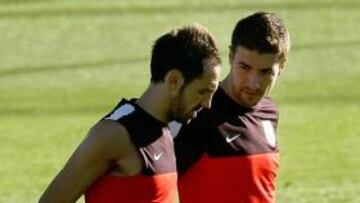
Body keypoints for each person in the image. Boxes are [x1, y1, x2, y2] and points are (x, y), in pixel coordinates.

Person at [39, 23, 221, 203]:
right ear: (173, 80)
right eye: (202, 92)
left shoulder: (167, 129)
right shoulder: (114, 134)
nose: (207, 104)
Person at [173, 12, 290, 203]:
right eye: (245, 67)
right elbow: (148, 182)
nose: (254, 83)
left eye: (266, 72)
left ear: (282, 66)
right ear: (230, 56)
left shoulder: (269, 112)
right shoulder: (198, 110)